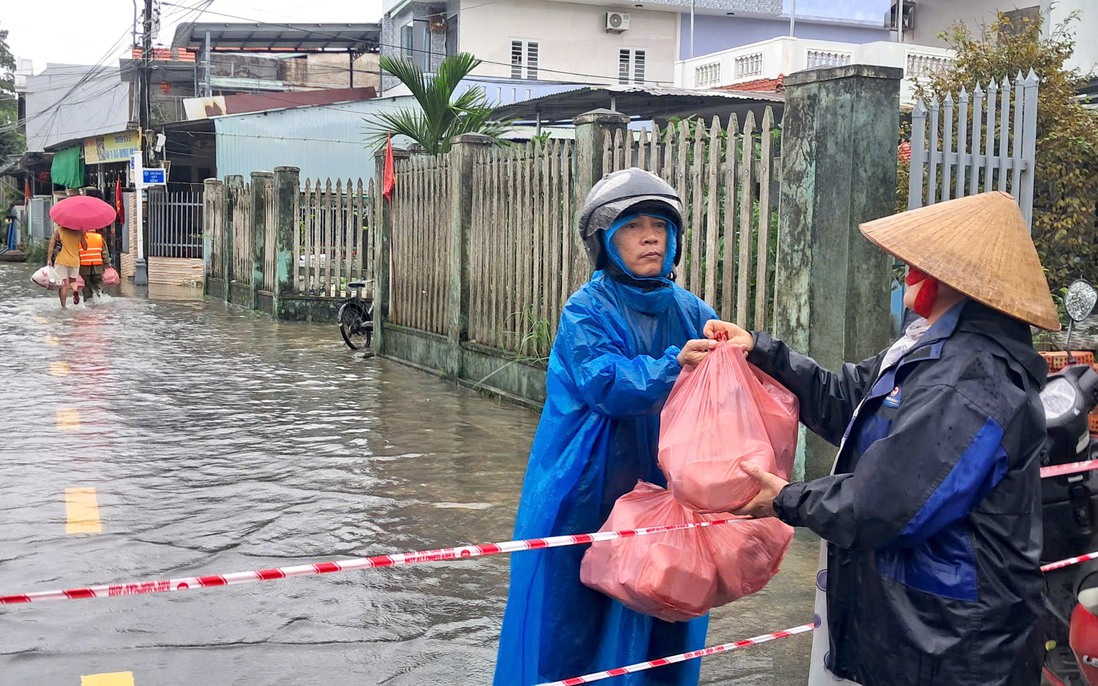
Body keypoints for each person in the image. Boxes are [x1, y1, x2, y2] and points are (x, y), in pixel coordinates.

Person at [706, 191, 1056, 686]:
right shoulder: (926, 348)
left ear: (951, 277)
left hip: (953, 648)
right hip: (915, 631)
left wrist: (787, 499)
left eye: (919, 261)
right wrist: (759, 352)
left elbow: (883, 503)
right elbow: (847, 401)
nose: (907, 269)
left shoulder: (970, 378)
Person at [494, 168, 719, 685]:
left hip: (664, 487)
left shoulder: (692, 311)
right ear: (605, 241)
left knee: (663, 607)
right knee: (573, 616)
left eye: (660, 226)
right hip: (586, 486)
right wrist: (674, 366)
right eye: (634, 225)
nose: (650, 237)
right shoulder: (586, 310)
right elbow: (607, 384)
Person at [47, 223, 87, 308]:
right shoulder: (79, 232)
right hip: (75, 261)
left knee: (63, 285)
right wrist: (83, 234)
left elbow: (51, 245)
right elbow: (85, 247)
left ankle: (64, 306)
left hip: (62, 261)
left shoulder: (59, 230)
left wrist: (49, 259)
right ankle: (75, 290)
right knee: (73, 281)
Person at [78, 229, 109, 301]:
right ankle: (100, 299)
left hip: (84, 266)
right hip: (97, 266)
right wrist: (106, 263)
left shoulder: (80, 238)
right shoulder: (99, 237)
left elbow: (77, 253)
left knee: (86, 284)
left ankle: (88, 300)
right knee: (98, 283)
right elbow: (104, 253)